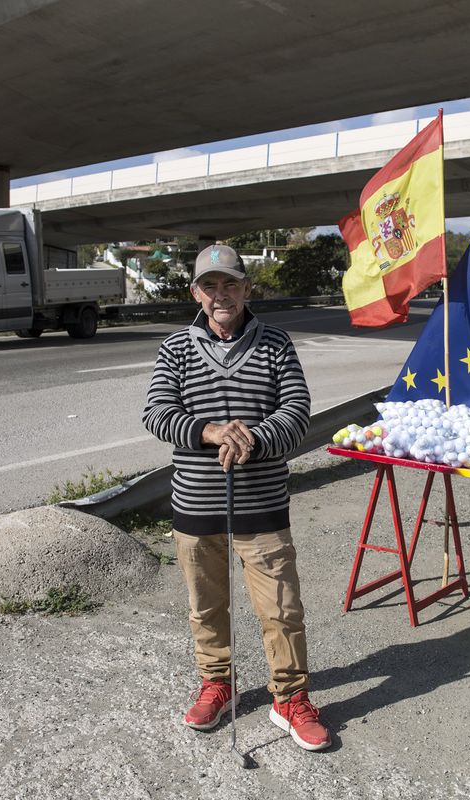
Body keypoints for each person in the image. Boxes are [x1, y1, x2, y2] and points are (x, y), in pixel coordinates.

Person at [142, 243, 331, 752]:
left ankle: (289, 697)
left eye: (230, 284)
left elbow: (297, 412)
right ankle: (218, 684)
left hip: (262, 502)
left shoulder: (275, 343)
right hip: (196, 504)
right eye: (210, 285)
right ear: (196, 293)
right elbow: (157, 413)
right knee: (206, 606)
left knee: (281, 608)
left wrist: (255, 438)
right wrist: (209, 431)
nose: (220, 294)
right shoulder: (176, 348)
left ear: (248, 288)